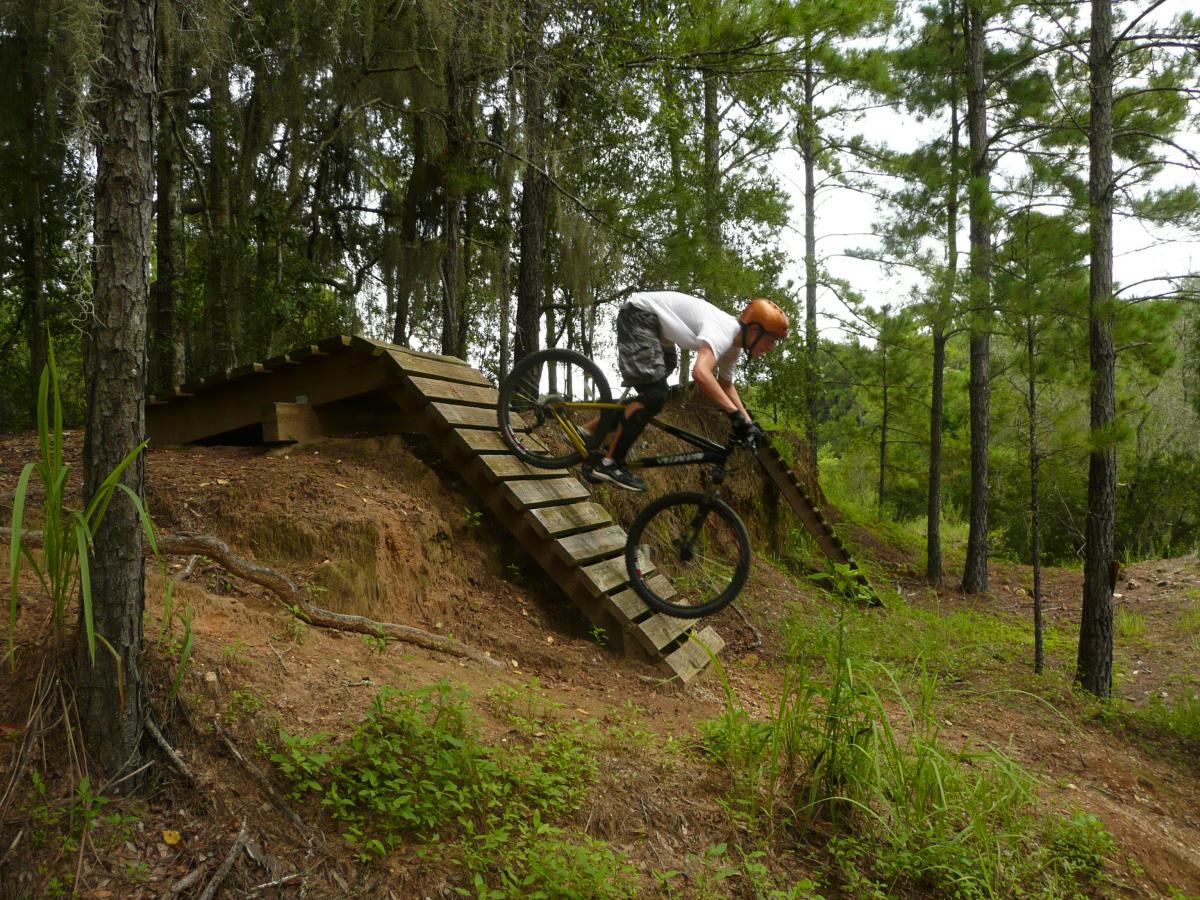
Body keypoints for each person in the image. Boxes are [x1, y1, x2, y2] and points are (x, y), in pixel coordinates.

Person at [582, 290, 789, 492]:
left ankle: (590, 431)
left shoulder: (733, 347)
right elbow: (700, 372)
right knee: (654, 395)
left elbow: (726, 384)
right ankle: (610, 464)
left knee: (652, 395)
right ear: (754, 331)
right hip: (640, 315)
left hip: (657, 329)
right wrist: (733, 415)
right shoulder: (725, 331)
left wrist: (748, 423)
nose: (771, 347)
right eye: (771, 340)